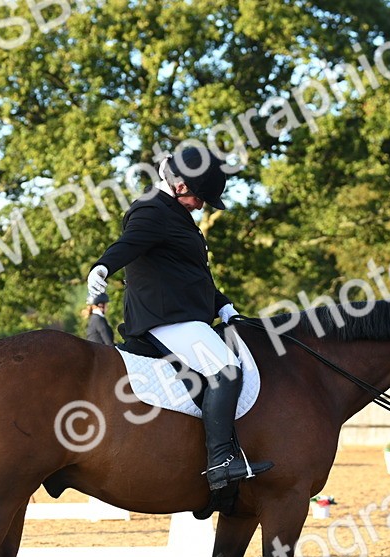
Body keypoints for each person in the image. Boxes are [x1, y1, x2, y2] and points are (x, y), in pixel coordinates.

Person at [87, 146, 272, 491]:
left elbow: (188, 273)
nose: (203, 206)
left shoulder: (174, 211)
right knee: (226, 370)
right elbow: (129, 244)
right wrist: (103, 266)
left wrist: (223, 305)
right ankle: (220, 461)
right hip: (165, 318)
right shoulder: (151, 210)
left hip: (186, 314)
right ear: (182, 186)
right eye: (202, 198)